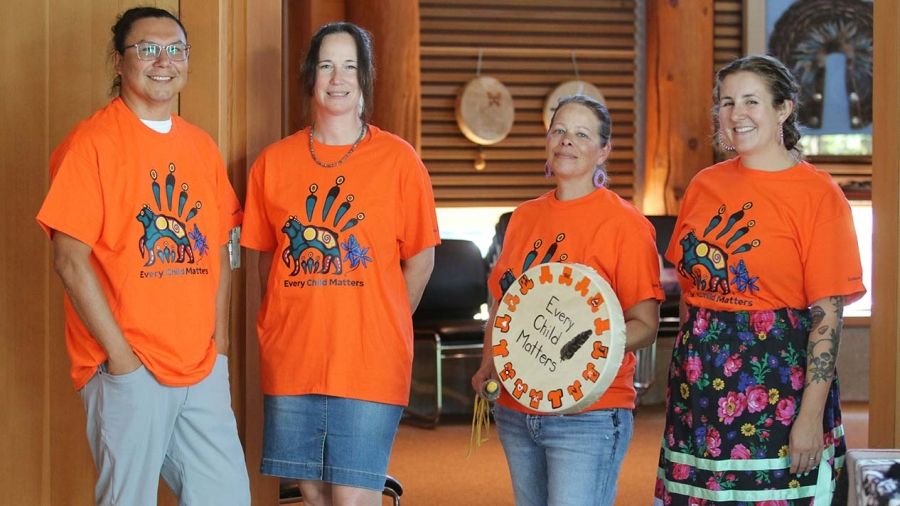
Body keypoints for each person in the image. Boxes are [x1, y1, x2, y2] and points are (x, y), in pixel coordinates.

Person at [35, 7, 250, 505]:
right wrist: (122, 359)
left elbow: (222, 249)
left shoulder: (201, 147)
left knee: (226, 498)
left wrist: (218, 348)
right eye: (147, 49)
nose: (163, 61)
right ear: (118, 61)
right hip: (129, 369)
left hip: (201, 368)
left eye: (175, 49)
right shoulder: (90, 144)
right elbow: (69, 258)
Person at [240, 21, 439, 506]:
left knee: (352, 497)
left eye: (349, 66)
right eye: (327, 65)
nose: (337, 77)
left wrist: (383, 319)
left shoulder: (398, 160)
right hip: (293, 357)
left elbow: (421, 259)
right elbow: (269, 263)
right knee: (312, 493)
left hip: (369, 357)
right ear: (311, 75)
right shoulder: (273, 163)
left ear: (365, 77)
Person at [654, 54, 866, 505]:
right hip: (700, 384)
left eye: (751, 101)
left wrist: (809, 416)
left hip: (776, 382)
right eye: (727, 102)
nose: (736, 114)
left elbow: (828, 316)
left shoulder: (818, 194)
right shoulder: (703, 185)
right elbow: (691, 294)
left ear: (783, 109)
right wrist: (682, 385)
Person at [471, 95, 664, 506]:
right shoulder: (522, 218)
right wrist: (490, 360)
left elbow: (645, 324)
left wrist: (577, 353)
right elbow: (504, 303)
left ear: (603, 150)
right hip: (517, 406)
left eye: (581, 134)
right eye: (558, 131)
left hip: (589, 414)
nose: (567, 142)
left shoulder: (626, 225)